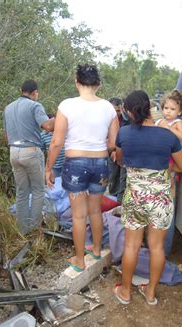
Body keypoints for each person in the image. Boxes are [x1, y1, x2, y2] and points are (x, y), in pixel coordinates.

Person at [113, 90, 182, 305]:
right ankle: (151, 293)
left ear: (128, 112)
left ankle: (125, 292)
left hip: (135, 197)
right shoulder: (167, 136)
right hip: (160, 200)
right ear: (150, 107)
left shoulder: (124, 133)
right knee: (156, 247)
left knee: (131, 246)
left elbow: (120, 160)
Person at [45, 64, 118, 272]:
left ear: (76, 82)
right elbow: (113, 142)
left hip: (75, 164)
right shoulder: (109, 108)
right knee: (95, 210)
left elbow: (57, 142)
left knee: (78, 215)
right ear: (98, 84)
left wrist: (48, 168)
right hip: (101, 164)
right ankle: (95, 248)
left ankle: (79, 259)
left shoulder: (66, 106)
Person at [3, 79, 55, 234]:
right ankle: (34, 228)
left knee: (22, 192)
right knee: (39, 190)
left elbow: (5, 137)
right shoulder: (34, 105)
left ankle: (22, 230)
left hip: (13, 151)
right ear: (35, 93)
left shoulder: (8, 108)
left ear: (21, 90)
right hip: (31, 150)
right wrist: (59, 116)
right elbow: (47, 126)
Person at [107, 97, 128, 202]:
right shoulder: (104, 121)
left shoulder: (127, 120)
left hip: (124, 153)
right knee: (112, 176)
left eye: (118, 110)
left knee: (123, 179)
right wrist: (112, 151)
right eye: (114, 111)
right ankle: (112, 198)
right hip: (110, 154)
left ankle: (120, 201)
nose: (116, 113)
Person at [41, 113, 65, 178]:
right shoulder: (43, 135)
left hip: (67, 164)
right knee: (56, 185)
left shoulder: (64, 131)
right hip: (54, 166)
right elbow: (41, 150)